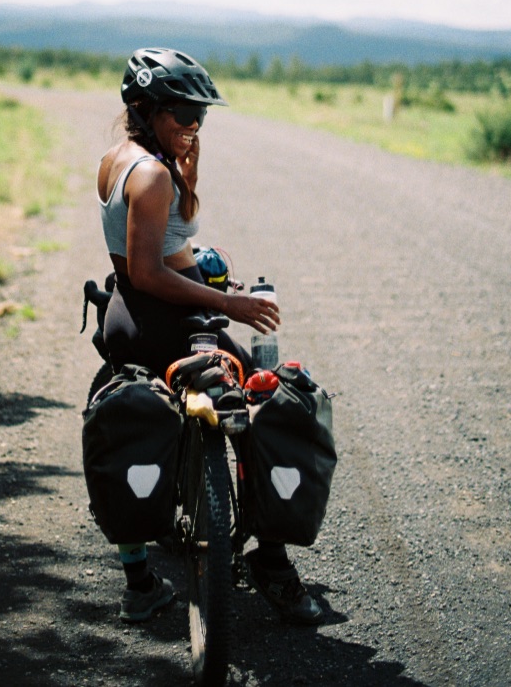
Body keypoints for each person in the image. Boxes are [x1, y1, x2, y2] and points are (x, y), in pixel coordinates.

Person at [96, 47, 323, 625]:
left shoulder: (127, 158)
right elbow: (149, 271)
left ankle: (141, 581)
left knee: (139, 418)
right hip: (164, 318)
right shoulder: (149, 174)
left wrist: (187, 178)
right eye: (181, 115)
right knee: (272, 406)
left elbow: (169, 238)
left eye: (200, 115)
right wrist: (230, 303)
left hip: (134, 311)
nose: (193, 126)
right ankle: (271, 563)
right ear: (143, 107)